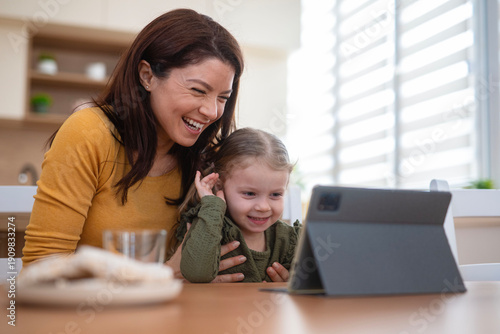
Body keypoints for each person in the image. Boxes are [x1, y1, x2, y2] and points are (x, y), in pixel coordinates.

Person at [22, 8, 259, 283]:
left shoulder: (206, 163)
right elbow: (40, 273)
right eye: (198, 90)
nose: (211, 111)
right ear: (147, 76)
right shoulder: (88, 133)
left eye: (223, 97)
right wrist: (166, 273)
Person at [168, 128, 302, 283]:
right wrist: (212, 204)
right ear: (219, 186)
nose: (264, 207)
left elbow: (322, 278)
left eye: (276, 194)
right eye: (250, 194)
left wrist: (294, 283)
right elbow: (196, 273)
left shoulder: (287, 239)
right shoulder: (209, 224)